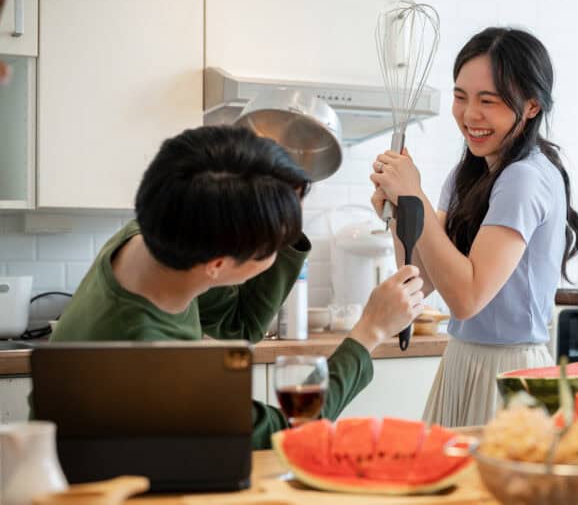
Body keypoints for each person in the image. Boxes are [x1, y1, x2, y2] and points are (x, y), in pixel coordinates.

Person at [49, 125, 424, 448]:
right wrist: (369, 330)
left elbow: (239, 326)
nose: (280, 251)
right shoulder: (158, 366)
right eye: (274, 245)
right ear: (218, 266)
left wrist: (272, 185)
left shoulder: (148, 241)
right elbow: (290, 429)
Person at [370, 27, 578, 427]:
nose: (470, 115)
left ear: (532, 106)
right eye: (460, 96)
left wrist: (415, 196)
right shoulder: (467, 175)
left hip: (510, 374)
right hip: (461, 360)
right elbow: (420, 280)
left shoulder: (525, 178)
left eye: (487, 101)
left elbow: (467, 298)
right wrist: (401, 210)